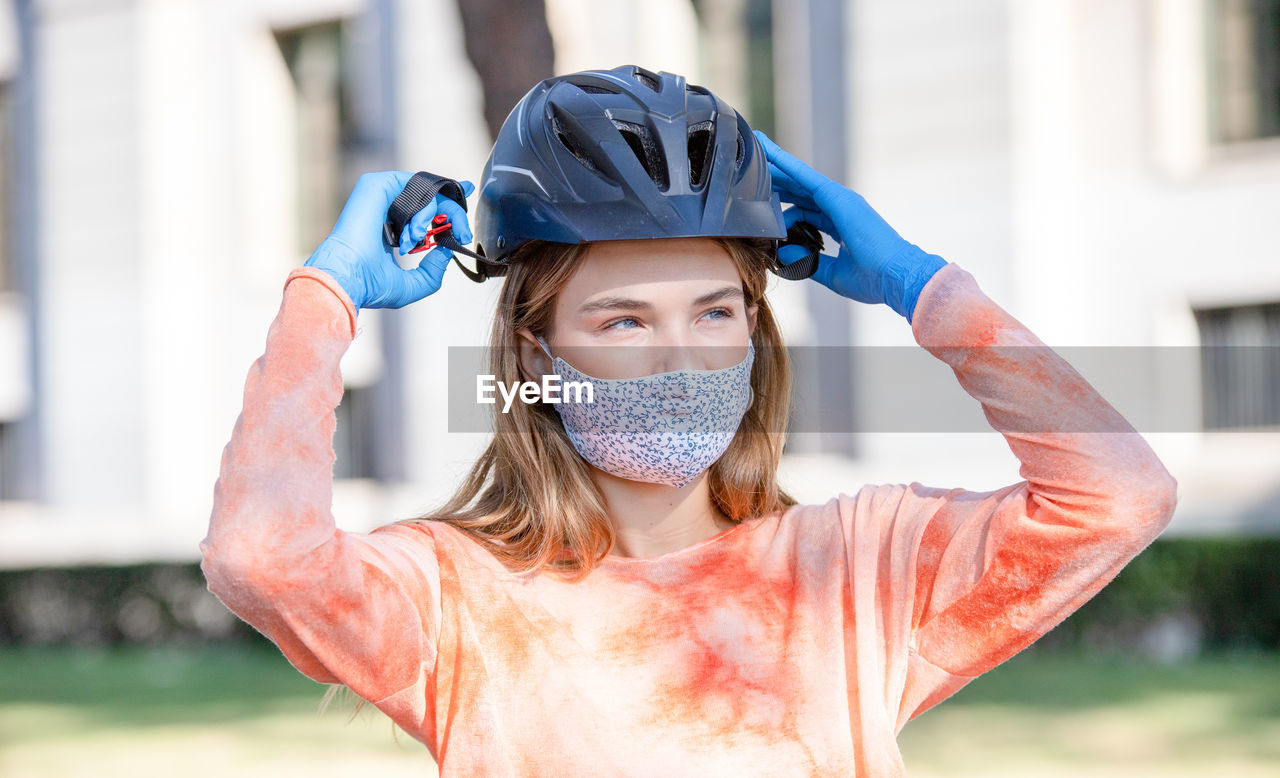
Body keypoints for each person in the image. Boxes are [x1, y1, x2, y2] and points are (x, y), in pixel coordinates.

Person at [201, 65, 1178, 776]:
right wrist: (323, 298)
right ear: (537, 359)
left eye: (714, 311)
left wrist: (917, 284)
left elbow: (1118, 495)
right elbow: (261, 557)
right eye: (622, 319)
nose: (680, 356)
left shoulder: (856, 569)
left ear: (755, 328)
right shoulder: (454, 598)